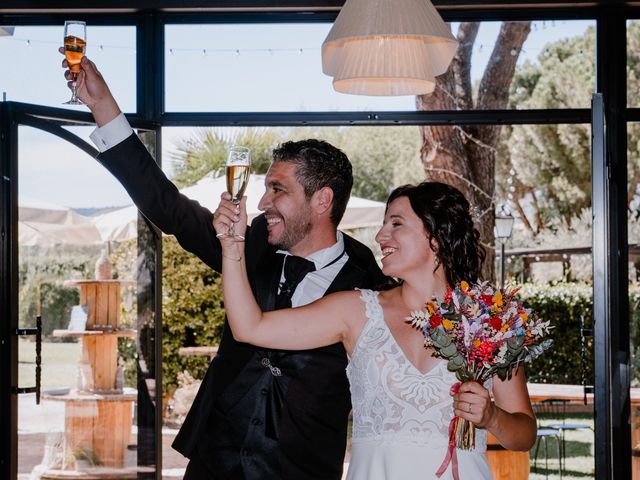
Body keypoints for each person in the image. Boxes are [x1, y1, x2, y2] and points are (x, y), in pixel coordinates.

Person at [62, 54, 388, 479]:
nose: (264, 202)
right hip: (213, 462)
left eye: (277, 190)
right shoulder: (247, 245)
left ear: (322, 201)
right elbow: (168, 207)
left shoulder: (372, 288)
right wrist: (103, 105)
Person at [217, 181, 537, 479]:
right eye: (384, 224)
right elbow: (250, 328)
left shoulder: (489, 320)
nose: (381, 236)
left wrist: (492, 417)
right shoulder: (356, 311)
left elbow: (524, 434)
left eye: (396, 224)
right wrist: (232, 246)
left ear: (437, 237)